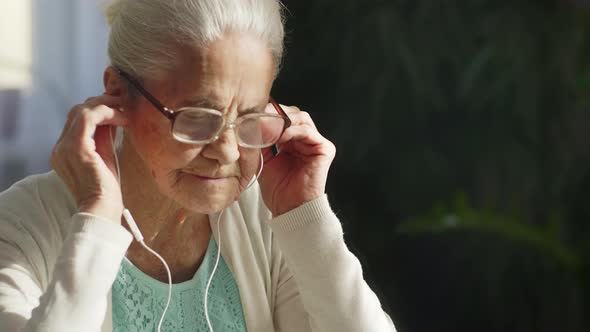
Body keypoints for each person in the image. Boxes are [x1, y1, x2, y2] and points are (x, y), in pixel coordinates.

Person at [0, 0, 395, 331]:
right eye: (196, 117)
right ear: (118, 94)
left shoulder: (264, 218)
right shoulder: (19, 227)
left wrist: (305, 218)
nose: (225, 151)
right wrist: (98, 221)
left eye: (250, 118)